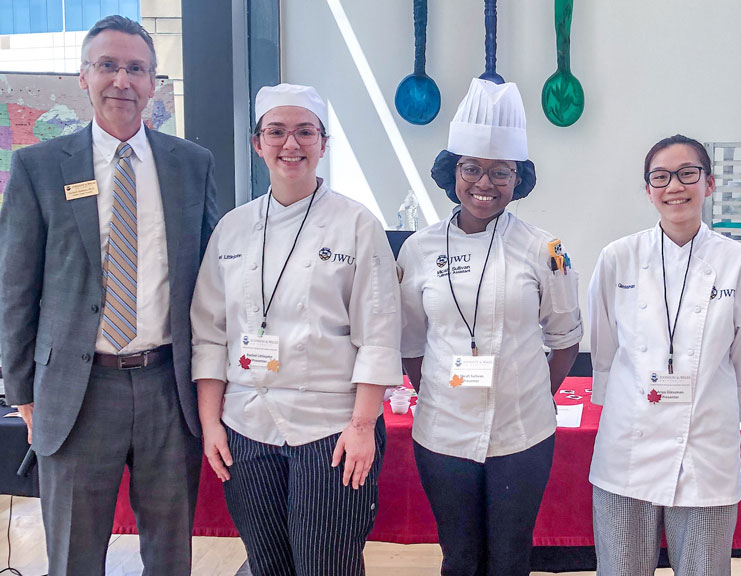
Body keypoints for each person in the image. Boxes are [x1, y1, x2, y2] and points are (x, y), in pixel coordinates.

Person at [0, 15, 218, 576]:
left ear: (153, 83)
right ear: (85, 76)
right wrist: (22, 389)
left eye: (136, 69)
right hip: (77, 391)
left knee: (170, 555)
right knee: (74, 555)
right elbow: (15, 289)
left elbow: (215, 284)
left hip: (169, 387)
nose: (122, 80)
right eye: (108, 66)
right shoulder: (38, 167)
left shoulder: (192, 166)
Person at [190, 83, 402, 576]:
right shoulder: (232, 228)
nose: (291, 144)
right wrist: (210, 424)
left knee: (327, 565)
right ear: (256, 143)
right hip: (246, 426)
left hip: (332, 430)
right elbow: (210, 334)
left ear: (323, 143)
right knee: (266, 566)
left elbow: (378, 333)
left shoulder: (357, 225)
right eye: (277, 132)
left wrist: (363, 426)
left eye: (305, 132)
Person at [397, 78, 582, 576]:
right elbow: (411, 341)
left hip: (523, 435)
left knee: (509, 557)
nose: (485, 183)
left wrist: (530, 394)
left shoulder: (544, 249)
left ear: (518, 179)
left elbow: (564, 339)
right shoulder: (419, 250)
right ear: (452, 172)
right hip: (442, 433)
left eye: (501, 172)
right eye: (472, 168)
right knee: (459, 557)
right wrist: (440, 392)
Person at [587, 134, 741, 576]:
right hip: (628, 442)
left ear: (709, 184)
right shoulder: (618, 258)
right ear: (648, 189)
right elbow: (605, 343)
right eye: (661, 177)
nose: (675, 186)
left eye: (688, 174)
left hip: (705, 444)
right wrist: (608, 397)